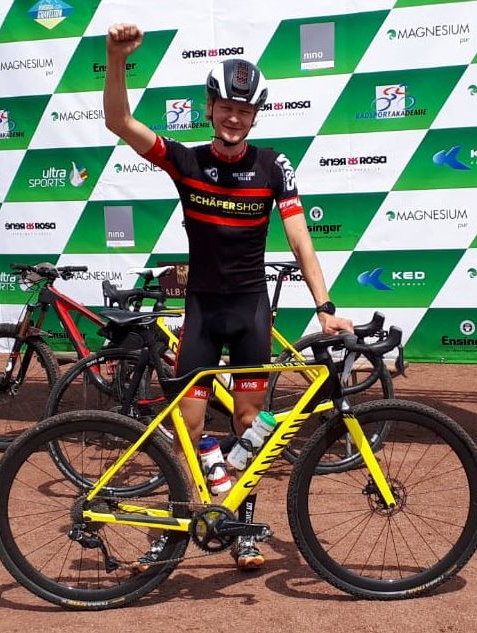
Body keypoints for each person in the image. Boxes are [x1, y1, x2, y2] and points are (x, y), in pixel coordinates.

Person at [104, 23, 353, 571]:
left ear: (256, 114)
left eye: (245, 109)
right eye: (225, 107)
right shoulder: (188, 163)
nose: (234, 117)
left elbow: (298, 235)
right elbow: (119, 122)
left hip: (249, 314)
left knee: (249, 428)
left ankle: (240, 527)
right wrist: (116, 59)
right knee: (188, 428)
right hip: (202, 313)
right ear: (209, 107)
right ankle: (174, 528)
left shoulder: (273, 166)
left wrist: (325, 306)